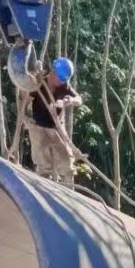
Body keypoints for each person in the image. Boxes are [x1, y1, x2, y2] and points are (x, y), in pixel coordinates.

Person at [27, 57, 81, 188]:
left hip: (56, 128)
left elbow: (79, 99)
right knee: (43, 165)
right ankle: (41, 193)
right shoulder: (39, 84)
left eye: (61, 80)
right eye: (54, 75)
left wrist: (68, 101)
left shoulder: (64, 87)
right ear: (52, 72)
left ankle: (69, 197)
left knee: (66, 164)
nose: (55, 79)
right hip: (38, 127)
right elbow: (24, 97)